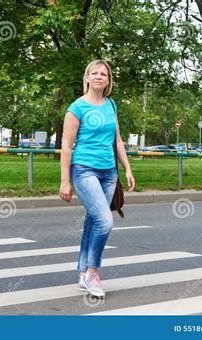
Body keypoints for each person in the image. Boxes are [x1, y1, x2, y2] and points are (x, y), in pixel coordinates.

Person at [59, 60, 135, 297]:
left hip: (108, 172)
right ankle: (93, 272)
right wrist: (64, 181)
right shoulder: (77, 108)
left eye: (104, 74)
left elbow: (118, 140)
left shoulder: (111, 105)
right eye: (95, 73)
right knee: (105, 222)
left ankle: (82, 273)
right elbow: (67, 146)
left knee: (93, 222)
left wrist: (127, 168)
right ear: (88, 78)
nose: (100, 76)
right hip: (84, 170)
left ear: (108, 81)